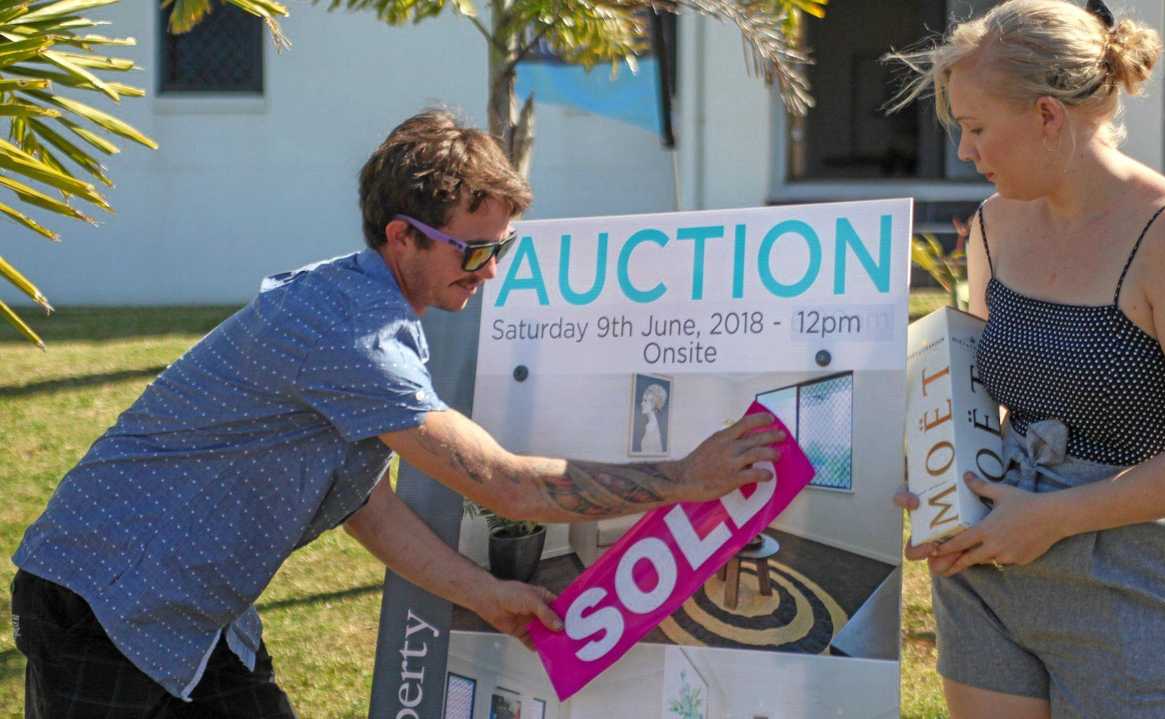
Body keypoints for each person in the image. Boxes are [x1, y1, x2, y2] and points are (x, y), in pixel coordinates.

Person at [9, 109, 785, 718]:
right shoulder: (355, 333)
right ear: (401, 236)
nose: (487, 272)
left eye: (501, 251)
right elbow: (504, 482)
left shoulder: (369, 310)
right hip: (102, 598)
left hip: (193, 618)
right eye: (472, 251)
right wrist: (685, 477)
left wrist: (483, 593)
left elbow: (368, 509)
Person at [885, 1, 1165, 717]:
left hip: (1139, 585)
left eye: (976, 129)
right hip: (991, 571)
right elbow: (981, 398)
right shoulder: (995, 226)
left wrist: (1057, 516)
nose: (967, 152)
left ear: (1046, 116)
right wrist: (939, 482)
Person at [638, 383, 668, 454]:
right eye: (643, 400)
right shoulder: (651, 424)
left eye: (645, 401)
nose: (641, 403)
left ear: (653, 404)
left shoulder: (652, 426)